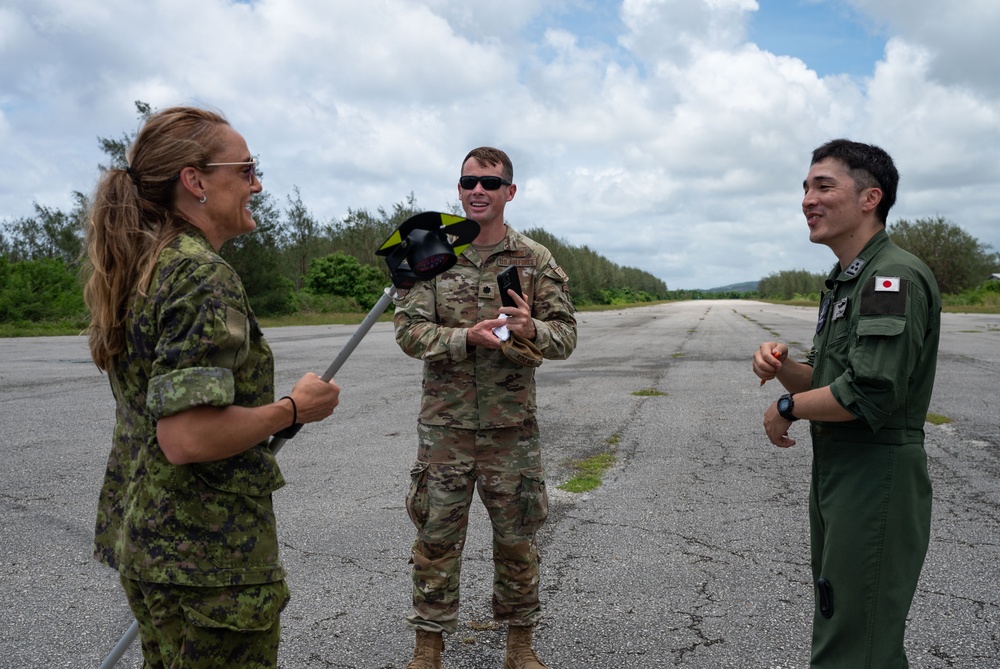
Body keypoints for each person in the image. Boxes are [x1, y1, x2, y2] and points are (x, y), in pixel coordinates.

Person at [84, 106, 341, 669]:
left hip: (153, 543)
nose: (258, 184)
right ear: (195, 181)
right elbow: (188, 437)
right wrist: (293, 408)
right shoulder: (200, 275)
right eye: (246, 169)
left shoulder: (146, 265)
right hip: (207, 558)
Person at [752, 139, 941, 668]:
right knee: (844, 618)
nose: (808, 199)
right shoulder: (845, 280)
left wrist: (787, 407)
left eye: (823, 185)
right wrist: (782, 367)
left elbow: (870, 392)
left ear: (870, 198)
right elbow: (832, 377)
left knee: (857, 641)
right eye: (805, 188)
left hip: (875, 469)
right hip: (841, 469)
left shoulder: (890, 278)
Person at [393, 147, 577, 669]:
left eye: (491, 183)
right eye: (468, 181)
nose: (478, 190)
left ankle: (520, 647)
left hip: (510, 430)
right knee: (435, 537)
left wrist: (530, 328)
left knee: (518, 538)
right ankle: (427, 649)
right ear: (458, 189)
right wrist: (463, 339)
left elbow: (565, 337)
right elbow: (408, 331)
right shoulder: (432, 253)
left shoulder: (535, 260)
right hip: (445, 428)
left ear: (509, 193)